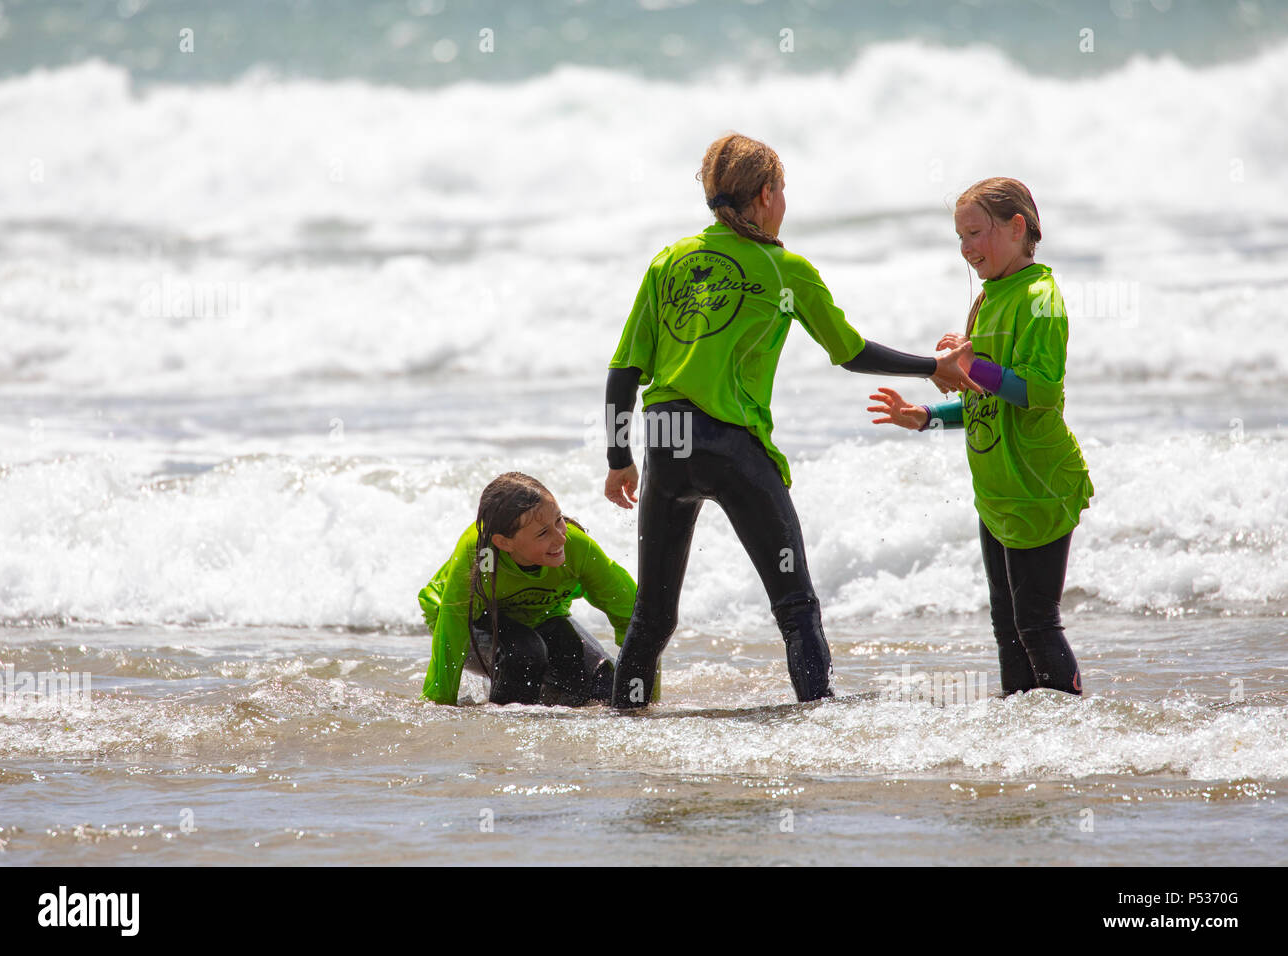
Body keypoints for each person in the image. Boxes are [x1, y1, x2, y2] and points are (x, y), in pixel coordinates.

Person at [603, 132, 979, 709]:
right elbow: (850, 351)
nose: (784, 204)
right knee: (795, 604)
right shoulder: (783, 268)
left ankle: (623, 720)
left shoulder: (669, 261)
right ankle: (820, 716)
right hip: (730, 444)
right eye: (783, 192)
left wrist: (618, 460)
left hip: (666, 443)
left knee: (652, 616)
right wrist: (932, 366)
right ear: (764, 194)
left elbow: (624, 372)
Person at [867, 177, 1093, 696]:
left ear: (1018, 228)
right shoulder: (987, 299)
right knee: (1008, 630)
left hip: (1038, 485)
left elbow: (1038, 391)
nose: (966, 248)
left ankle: (1076, 736)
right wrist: (926, 416)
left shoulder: (1039, 298)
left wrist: (974, 363)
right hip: (996, 493)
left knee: (1037, 623)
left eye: (975, 233)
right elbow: (981, 399)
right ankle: (1021, 742)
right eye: (959, 237)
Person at [419, 472, 636, 706]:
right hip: (475, 618)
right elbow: (454, 628)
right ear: (504, 542)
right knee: (525, 654)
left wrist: (643, 701)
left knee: (604, 680)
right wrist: (439, 702)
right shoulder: (482, 556)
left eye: (559, 520)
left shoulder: (576, 547)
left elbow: (636, 619)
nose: (561, 538)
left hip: (541, 615)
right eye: (543, 533)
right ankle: (502, 731)